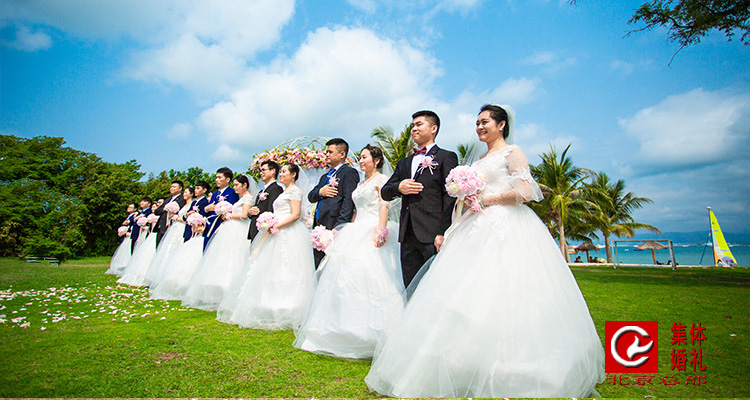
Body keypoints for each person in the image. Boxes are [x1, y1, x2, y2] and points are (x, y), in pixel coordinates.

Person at [365, 104, 604, 398]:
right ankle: (464, 362)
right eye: (477, 122)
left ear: (501, 125)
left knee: (507, 290)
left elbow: (526, 191)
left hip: (507, 225)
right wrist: (467, 199)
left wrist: (487, 199)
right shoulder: (478, 159)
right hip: (473, 225)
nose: (479, 127)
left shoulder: (512, 152)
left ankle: (516, 365)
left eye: (485, 122)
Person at [294, 145, 405, 359]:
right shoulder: (361, 183)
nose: (361, 161)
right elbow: (355, 208)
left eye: (365, 157)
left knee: (372, 278)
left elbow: (384, 205)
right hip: (356, 228)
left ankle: (373, 334)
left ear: (377, 161)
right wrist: (345, 230)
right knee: (343, 279)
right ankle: (341, 328)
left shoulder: (382, 180)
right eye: (360, 157)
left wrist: (381, 230)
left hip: (373, 228)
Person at [217, 163, 315, 330]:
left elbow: (295, 215)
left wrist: (276, 225)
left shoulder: (295, 192)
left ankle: (291, 308)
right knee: (273, 268)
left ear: (293, 175)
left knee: (288, 268)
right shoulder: (283, 192)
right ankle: (270, 305)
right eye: (281, 171)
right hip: (277, 231)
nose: (281, 174)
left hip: (288, 232)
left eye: (284, 172)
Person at [380, 110, 458, 287]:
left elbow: (450, 196)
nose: (413, 128)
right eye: (412, 125)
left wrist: (443, 232)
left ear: (433, 128)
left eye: (419, 124)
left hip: (432, 233)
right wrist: (399, 187)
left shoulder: (446, 157)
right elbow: (385, 192)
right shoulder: (404, 162)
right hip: (407, 234)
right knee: (410, 285)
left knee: (434, 285)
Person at [182, 175, 253, 311]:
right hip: (230, 227)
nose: (234, 187)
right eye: (234, 185)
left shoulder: (248, 198)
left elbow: (244, 215)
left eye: (237, 185)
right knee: (223, 257)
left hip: (238, 229)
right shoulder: (239, 198)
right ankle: (219, 290)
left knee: (236, 257)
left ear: (244, 185)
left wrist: (228, 215)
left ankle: (232, 290)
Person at [307, 138, 359, 268]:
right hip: (319, 228)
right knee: (318, 266)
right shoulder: (325, 177)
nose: (327, 155)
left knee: (331, 267)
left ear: (342, 154)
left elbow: (349, 201)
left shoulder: (349, 173)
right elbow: (311, 196)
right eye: (326, 152)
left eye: (330, 152)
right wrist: (320, 192)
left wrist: (338, 228)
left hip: (334, 227)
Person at [145, 186, 194, 287]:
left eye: (186, 192)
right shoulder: (182, 204)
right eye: (184, 192)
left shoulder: (191, 205)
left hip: (181, 227)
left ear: (191, 194)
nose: (184, 194)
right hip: (174, 227)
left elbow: (187, 218)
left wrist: (177, 218)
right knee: (166, 249)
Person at [203, 167, 240, 250]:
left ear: (227, 179)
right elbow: (208, 209)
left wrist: (217, 208)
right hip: (210, 225)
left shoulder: (232, 193)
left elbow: (232, 209)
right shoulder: (214, 194)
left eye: (220, 178)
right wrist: (206, 209)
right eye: (216, 177)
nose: (217, 180)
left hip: (221, 226)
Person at [248, 160, 284, 240]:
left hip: (265, 232)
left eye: (263, 170)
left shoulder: (276, 189)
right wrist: (250, 212)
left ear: (273, 171)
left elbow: (272, 210)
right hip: (257, 231)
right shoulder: (261, 191)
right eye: (260, 171)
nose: (261, 173)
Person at [106, 203, 138, 276]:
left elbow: (133, 225)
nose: (129, 208)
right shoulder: (129, 216)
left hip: (130, 235)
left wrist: (127, 230)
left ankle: (126, 265)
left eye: (131, 207)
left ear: (135, 209)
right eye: (128, 207)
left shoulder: (134, 215)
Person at [152, 180, 187, 246]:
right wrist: (164, 209)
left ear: (180, 188)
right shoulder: (167, 200)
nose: (172, 188)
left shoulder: (182, 198)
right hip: (161, 226)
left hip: (172, 225)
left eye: (174, 187)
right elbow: (157, 211)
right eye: (171, 187)